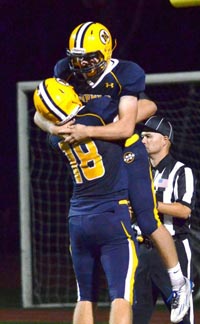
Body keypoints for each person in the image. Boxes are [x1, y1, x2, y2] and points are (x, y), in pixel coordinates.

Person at [34, 21, 192, 323]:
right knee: (130, 227)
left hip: (126, 147)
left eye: (89, 57)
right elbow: (42, 115)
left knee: (147, 219)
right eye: (77, 58)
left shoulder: (126, 73)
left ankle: (177, 281)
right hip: (101, 150)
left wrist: (77, 129)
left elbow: (129, 124)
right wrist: (56, 124)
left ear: (106, 51)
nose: (81, 64)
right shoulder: (65, 74)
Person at [33, 77, 139, 324]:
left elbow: (41, 117)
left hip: (78, 219)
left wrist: (51, 125)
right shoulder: (97, 115)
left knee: (84, 296)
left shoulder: (56, 137)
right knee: (121, 296)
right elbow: (145, 108)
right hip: (111, 214)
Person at [133, 115, 196, 324]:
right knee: (135, 316)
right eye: (142, 137)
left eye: (148, 136)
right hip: (143, 250)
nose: (143, 141)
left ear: (165, 140)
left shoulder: (181, 171)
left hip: (174, 249)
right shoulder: (139, 172)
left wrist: (150, 206)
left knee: (182, 318)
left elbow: (184, 210)